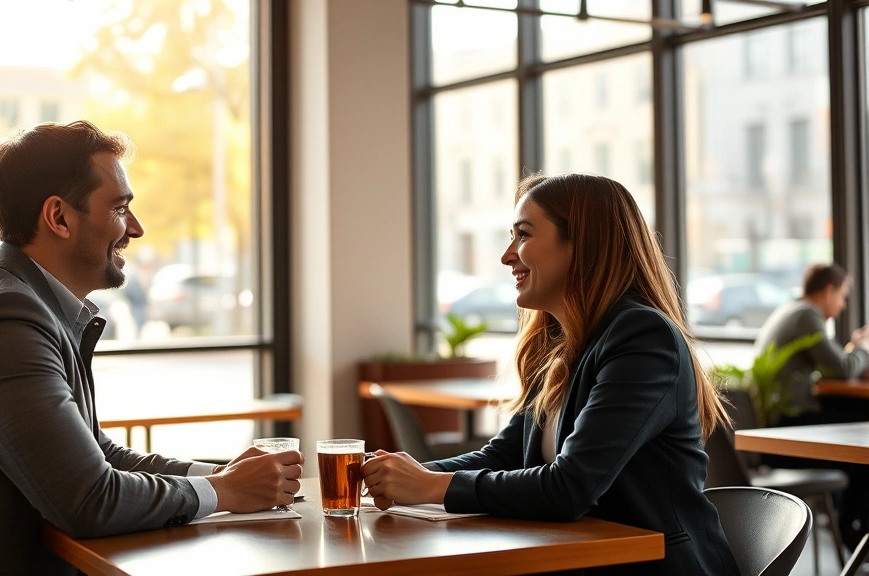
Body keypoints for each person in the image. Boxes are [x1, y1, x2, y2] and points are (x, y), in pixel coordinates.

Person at [0, 121, 303, 574]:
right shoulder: (0, 319)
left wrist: (217, 475)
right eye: (119, 208)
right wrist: (226, 491)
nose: (135, 228)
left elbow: (98, 456)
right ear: (58, 217)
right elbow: (88, 499)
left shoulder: (28, 305)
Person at [362, 173, 740, 575]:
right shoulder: (561, 342)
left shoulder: (642, 338)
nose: (508, 256)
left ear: (582, 243)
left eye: (523, 235)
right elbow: (504, 456)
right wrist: (398, 475)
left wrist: (427, 487)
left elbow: (570, 487)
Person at [753, 261, 869, 550]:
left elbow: (835, 366)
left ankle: (853, 534)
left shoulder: (791, 310)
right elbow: (843, 367)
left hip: (777, 427)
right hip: (783, 434)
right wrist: (864, 347)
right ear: (828, 291)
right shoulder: (806, 315)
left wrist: (855, 353)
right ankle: (855, 536)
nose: (842, 306)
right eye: (842, 296)